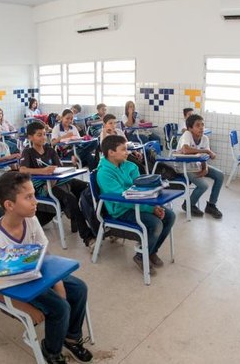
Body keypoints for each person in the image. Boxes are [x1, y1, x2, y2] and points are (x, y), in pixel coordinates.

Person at [0, 171, 93, 363]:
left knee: (79, 289)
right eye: (29, 197)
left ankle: (71, 338)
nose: (36, 201)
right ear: (9, 205)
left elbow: (45, 255)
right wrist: (26, 308)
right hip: (11, 284)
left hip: (35, 271)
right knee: (60, 308)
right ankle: (51, 351)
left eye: (34, 194)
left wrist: (59, 286)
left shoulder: (31, 220)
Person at [96, 135, 176, 273]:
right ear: (111, 152)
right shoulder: (104, 173)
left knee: (170, 216)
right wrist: (151, 209)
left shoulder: (130, 166)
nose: (127, 152)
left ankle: (150, 251)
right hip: (120, 210)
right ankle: (140, 256)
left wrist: (154, 205)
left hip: (138, 204)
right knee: (156, 224)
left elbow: (142, 189)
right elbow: (123, 198)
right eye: (123, 149)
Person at [19, 121, 93, 246]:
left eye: (44, 134)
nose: (43, 137)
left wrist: (67, 167)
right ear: (30, 137)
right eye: (39, 135)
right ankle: (88, 237)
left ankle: (93, 223)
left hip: (59, 181)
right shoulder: (28, 152)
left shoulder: (49, 150)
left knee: (87, 188)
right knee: (70, 199)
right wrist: (43, 171)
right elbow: (22, 170)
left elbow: (59, 167)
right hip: (44, 187)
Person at [175, 114, 223, 219]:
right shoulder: (187, 134)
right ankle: (189, 205)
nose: (201, 127)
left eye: (202, 125)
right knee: (203, 185)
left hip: (196, 166)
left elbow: (204, 157)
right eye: (197, 125)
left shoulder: (205, 138)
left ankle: (211, 205)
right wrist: (207, 150)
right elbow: (186, 150)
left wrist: (205, 168)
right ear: (190, 128)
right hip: (183, 167)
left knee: (220, 175)